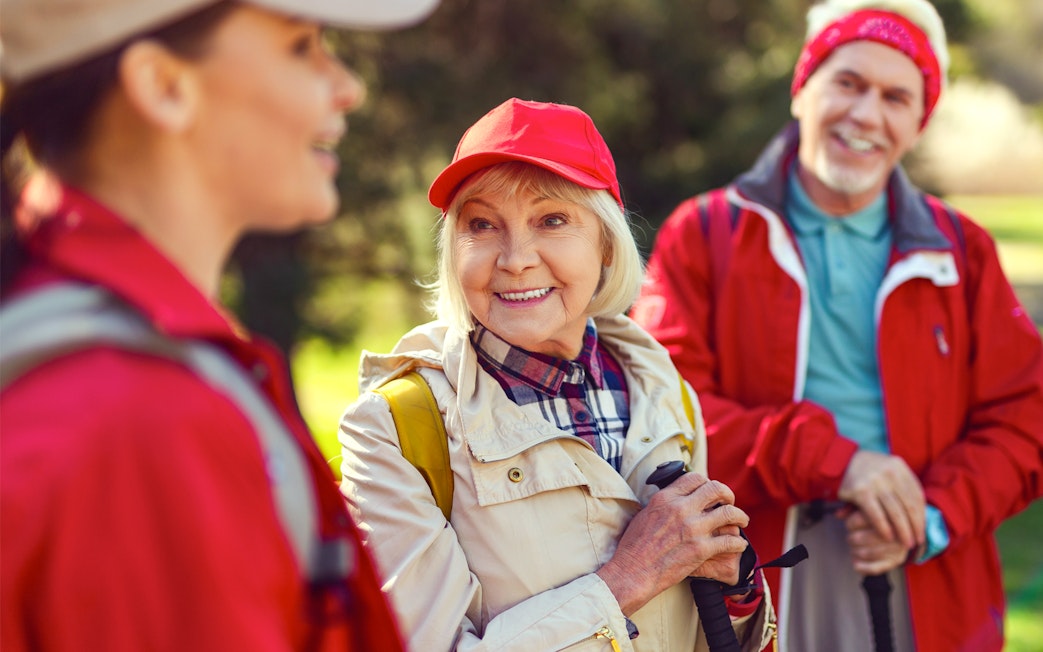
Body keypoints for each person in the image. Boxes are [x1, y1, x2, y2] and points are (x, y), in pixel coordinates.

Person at [0, 1, 440, 650]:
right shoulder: (142, 421)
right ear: (164, 87)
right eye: (301, 46)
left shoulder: (81, 341)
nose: (348, 86)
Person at [629, 0, 1043, 650]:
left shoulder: (961, 251)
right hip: (758, 569)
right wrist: (838, 463)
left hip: (928, 575)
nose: (865, 114)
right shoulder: (702, 234)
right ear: (802, 89)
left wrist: (931, 516)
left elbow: (1025, 419)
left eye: (894, 97)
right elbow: (664, 418)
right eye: (846, 83)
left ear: (916, 122)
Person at [337, 97, 776, 651]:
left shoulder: (667, 394)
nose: (516, 258)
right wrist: (627, 580)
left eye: (552, 219)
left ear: (607, 244)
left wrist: (739, 592)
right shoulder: (394, 430)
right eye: (482, 224)